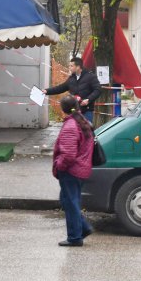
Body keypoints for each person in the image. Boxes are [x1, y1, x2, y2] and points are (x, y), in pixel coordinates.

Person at [53, 95, 95, 247]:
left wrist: (59, 165)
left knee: (70, 203)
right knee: (68, 201)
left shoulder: (71, 126)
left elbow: (69, 155)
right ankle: (83, 228)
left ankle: (75, 237)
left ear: (63, 110)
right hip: (81, 169)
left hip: (71, 171)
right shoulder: (82, 121)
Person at [43, 57, 101, 123]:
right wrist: (47, 91)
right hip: (74, 111)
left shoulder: (91, 76)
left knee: (86, 132)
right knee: (74, 131)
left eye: (71, 66)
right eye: (69, 66)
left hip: (86, 111)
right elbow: (60, 88)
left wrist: (88, 99)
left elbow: (98, 90)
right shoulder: (71, 79)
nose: (69, 67)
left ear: (78, 67)